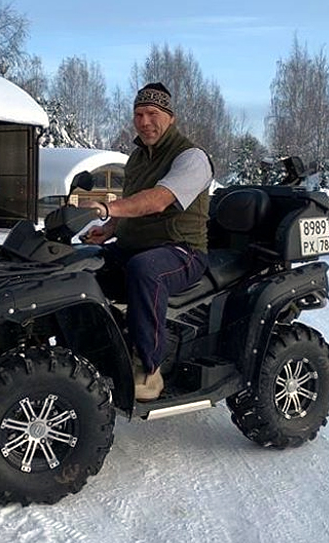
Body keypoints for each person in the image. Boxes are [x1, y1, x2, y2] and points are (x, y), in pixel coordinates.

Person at [80, 82, 213, 401]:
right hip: (133, 246)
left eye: (153, 113)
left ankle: (149, 367)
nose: (144, 121)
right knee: (81, 263)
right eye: (138, 114)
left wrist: (108, 206)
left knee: (145, 270)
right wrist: (110, 228)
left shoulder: (191, 157)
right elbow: (132, 203)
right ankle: (92, 344)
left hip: (182, 250)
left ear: (170, 117)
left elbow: (157, 200)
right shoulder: (137, 158)